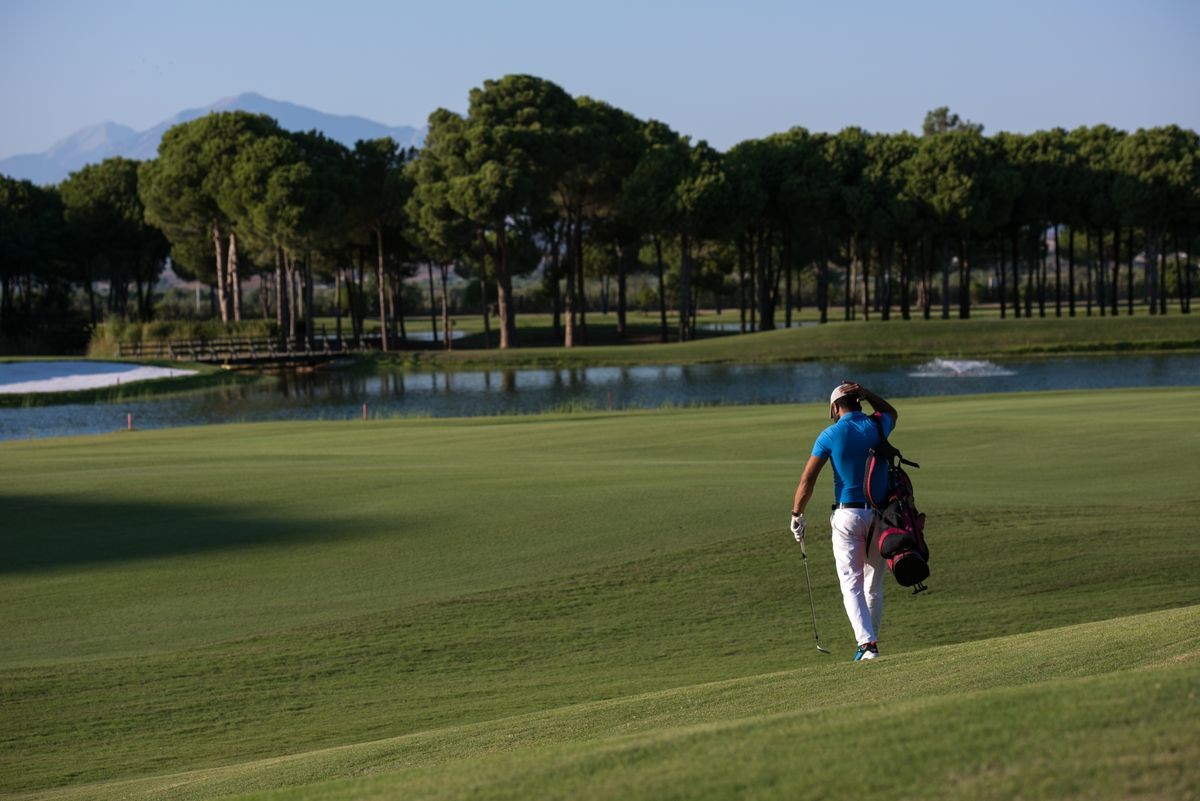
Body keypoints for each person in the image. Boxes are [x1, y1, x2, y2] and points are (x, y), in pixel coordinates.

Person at [789, 382, 898, 661]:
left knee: (851, 583)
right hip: (880, 514)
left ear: (836, 407)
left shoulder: (829, 434)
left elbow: (807, 480)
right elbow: (891, 412)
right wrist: (868, 391)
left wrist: (797, 514)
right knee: (873, 586)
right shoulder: (875, 425)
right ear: (858, 401)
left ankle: (867, 645)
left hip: (848, 515)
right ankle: (870, 645)